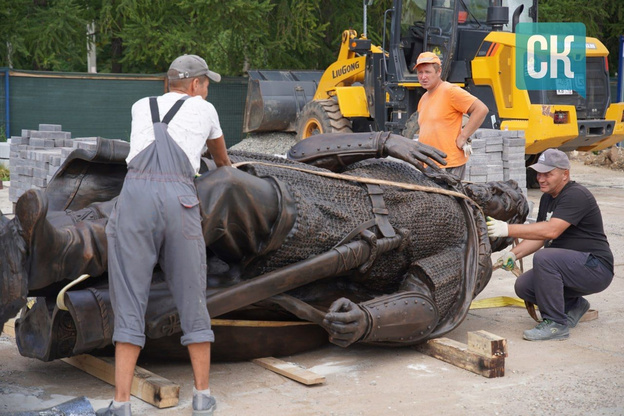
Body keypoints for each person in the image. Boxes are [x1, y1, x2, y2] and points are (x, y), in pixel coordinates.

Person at [97, 54, 231, 416]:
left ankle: (121, 404)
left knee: (129, 298)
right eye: (205, 84)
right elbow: (222, 163)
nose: (206, 90)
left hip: (135, 199)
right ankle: (202, 397)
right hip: (180, 201)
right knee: (192, 295)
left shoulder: (141, 105)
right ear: (194, 85)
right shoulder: (205, 110)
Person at [487, 148, 614, 341]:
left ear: (565, 174)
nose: (541, 178)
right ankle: (573, 305)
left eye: (548, 174)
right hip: (572, 267)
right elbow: (540, 237)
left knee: (545, 258)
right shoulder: (548, 198)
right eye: (539, 173)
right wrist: (513, 254)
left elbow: (551, 230)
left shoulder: (576, 195)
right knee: (524, 286)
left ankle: (556, 324)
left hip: (595, 267)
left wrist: (507, 229)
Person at [414, 51, 488, 179]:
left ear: (438, 72)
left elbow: (481, 109)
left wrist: (464, 136)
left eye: (427, 72)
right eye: (420, 72)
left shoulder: (450, 91)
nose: (423, 76)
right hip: (430, 163)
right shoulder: (424, 98)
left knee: (446, 199)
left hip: (448, 165)